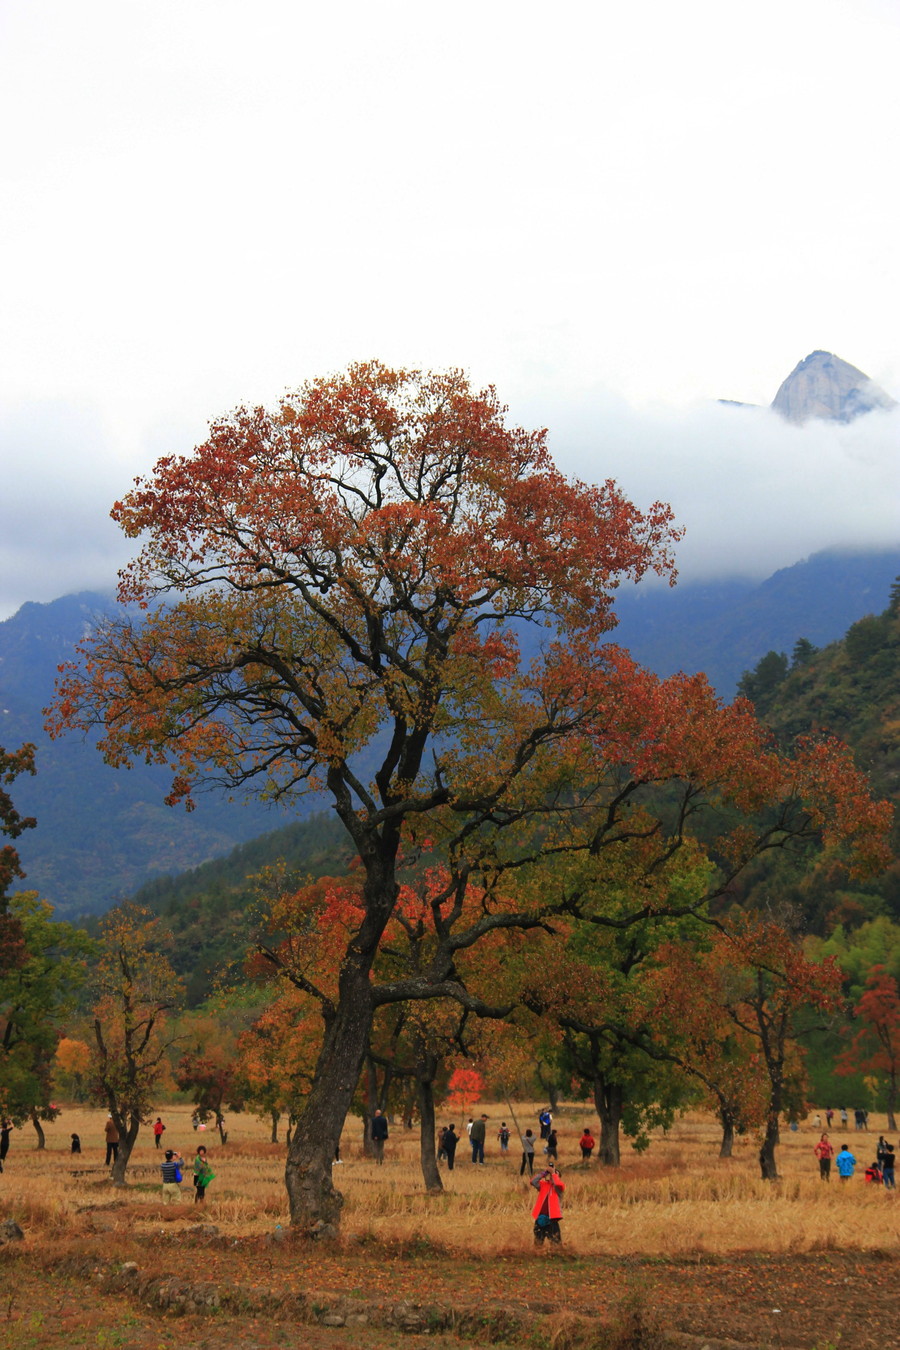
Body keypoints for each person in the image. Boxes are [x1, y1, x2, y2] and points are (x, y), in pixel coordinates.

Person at [530, 1165, 564, 1244]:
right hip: (540, 1218)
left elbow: (558, 1184)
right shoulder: (543, 1185)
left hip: (552, 1219)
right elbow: (533, 1181)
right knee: (538, 1243)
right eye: (551, 1175)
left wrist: (553, 1173)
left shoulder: (559, 1188)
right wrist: (544, 1173)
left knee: (556, 1244)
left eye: (555, 1174)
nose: (552, 1176)